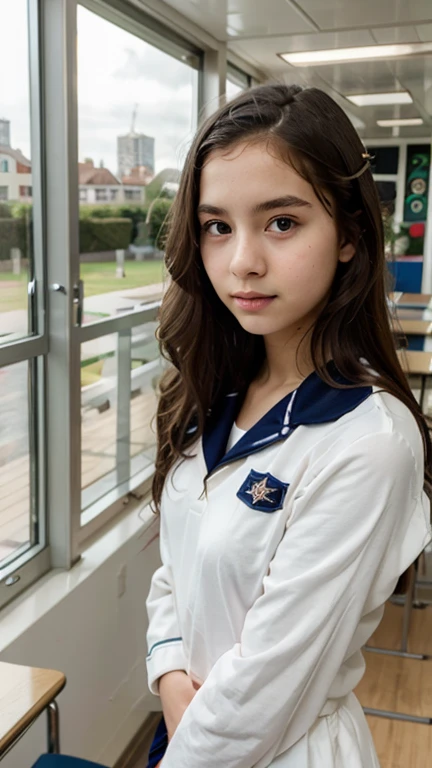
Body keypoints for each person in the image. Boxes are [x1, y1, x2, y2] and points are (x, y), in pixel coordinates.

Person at [145, 83, 432, 768]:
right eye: (217, 226)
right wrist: (169, 679)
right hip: (187, 729)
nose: (242, 260)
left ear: (349, 238)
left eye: (281, 223)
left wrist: (186, 739)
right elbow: (173, 574)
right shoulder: (214, 394)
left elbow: (264, 698)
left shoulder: (369, 443)